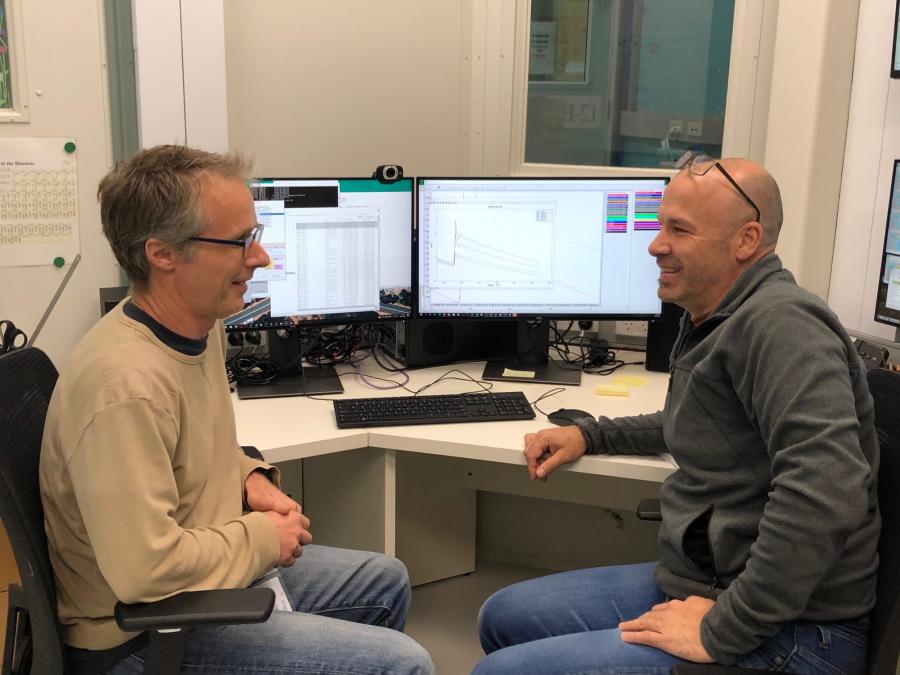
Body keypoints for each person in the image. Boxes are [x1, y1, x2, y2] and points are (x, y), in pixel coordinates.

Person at [473, 155, 880, 675]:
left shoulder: (783, 326)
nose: (655, 244)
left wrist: (721, 631)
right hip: (710, 584)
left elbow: (825, 491)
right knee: (502, 618)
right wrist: (589, 436)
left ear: (746, 240)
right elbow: (693, 421)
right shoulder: (718, 317)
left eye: (679, 230)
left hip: (798, 631)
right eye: (660, 225)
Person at [40, 145, 434, 674]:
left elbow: (197, 454)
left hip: (194, 583)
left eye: (256, 236)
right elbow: (145, 571)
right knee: (400, 665)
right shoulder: (123, 385)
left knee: (383, 580)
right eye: (239, 242)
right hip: (141, 634)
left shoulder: (201, 330)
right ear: (163, 254)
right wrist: (261, 538)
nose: (261, 258)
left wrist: (250, 479)